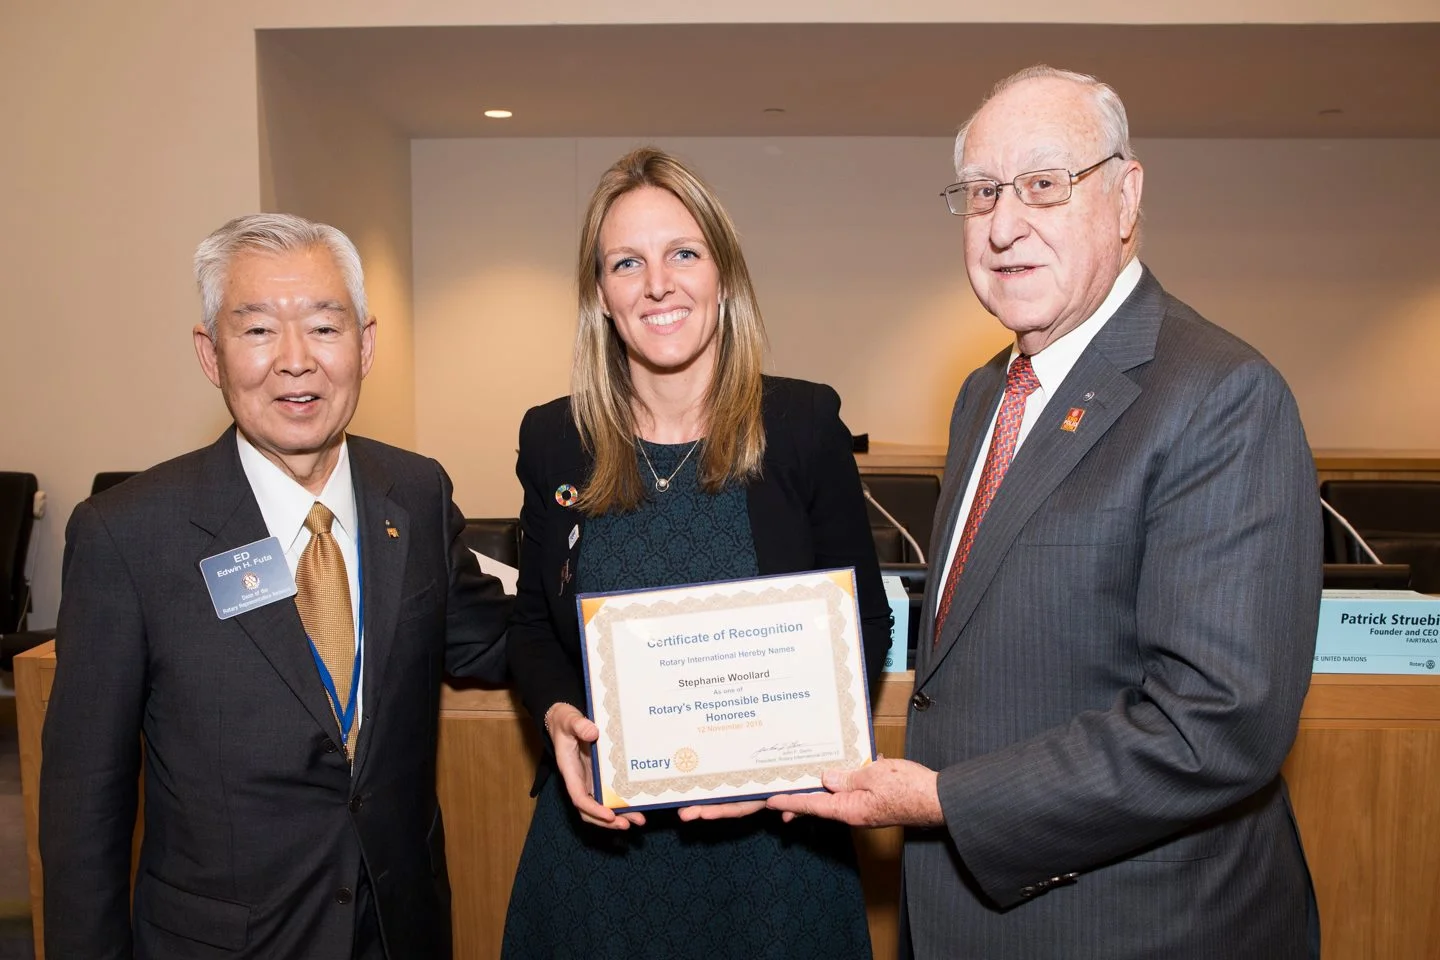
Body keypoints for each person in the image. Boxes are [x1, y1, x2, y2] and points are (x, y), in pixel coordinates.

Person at [770, 66, 1322, 959]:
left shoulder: (1221, 393)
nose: (1002, 223)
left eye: (1043, 184)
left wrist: (947, 801)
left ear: (1125, 196)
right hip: (964, 916)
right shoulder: (984, 395)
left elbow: (1215, 723)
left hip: (1133, 927)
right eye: (982, 191)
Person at [40, 213, 510, 960]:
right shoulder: (128, 536)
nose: (296, 362)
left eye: (325, 328)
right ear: (210, 353)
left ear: (366, 343)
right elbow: (83, 808)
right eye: (258, 331)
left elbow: (496, 639)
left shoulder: (415, 493)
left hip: (399, 929)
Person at [501, 147, 891, 959]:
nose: (658, 283)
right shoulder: (554, 439)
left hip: (776, 858)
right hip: (602, 853)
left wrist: (793, 759)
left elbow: (865, 625)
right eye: (626, 263)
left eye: (683, 253)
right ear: (601, 297)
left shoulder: (804, 426)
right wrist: (555, 716)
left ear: (724, 274)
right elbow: (533, 630)